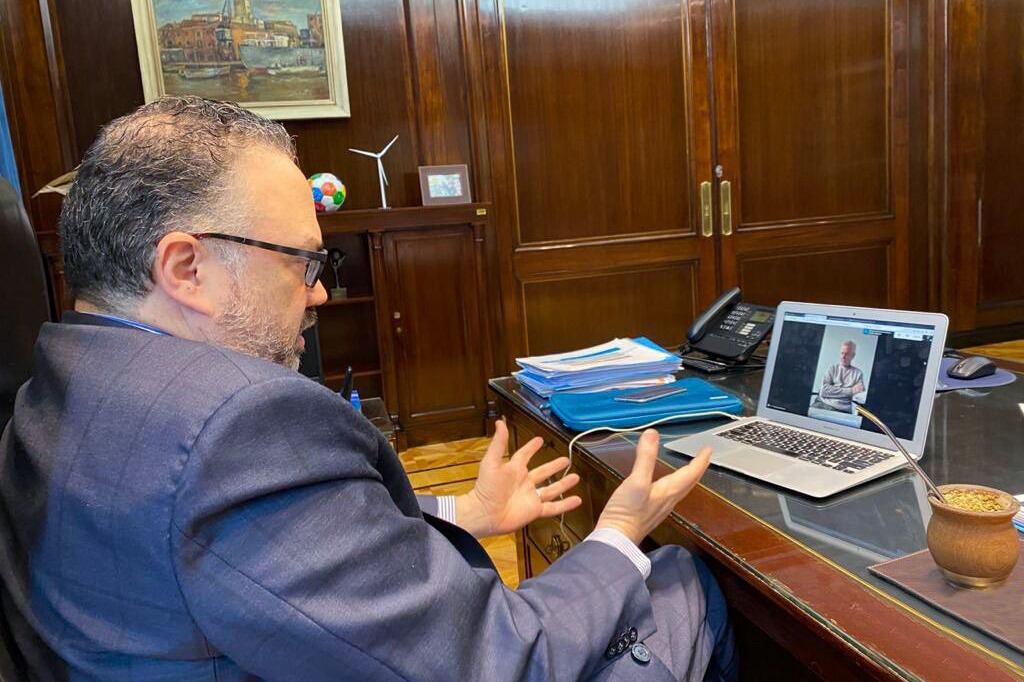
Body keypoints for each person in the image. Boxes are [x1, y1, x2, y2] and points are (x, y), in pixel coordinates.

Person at [0, 97, 735, 681]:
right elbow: (508, 661)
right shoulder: (234, 425)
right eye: (301, 262)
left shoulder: (54, 386)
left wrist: (463, 512)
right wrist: (617, 534)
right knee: (679, 582)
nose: (317, 297)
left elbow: (251, 552)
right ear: (185, 267)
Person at [815, 340, 866, 412]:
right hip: (822, 404)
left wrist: (833, 391)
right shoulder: (832, 368)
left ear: (853, 356)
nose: (843, 356)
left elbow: (859, 395)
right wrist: (850, 391)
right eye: (842, 353)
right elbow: (824, 391)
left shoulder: (858, 373)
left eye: (847, 354)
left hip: (841, 409)